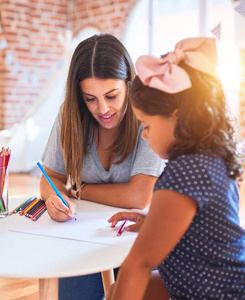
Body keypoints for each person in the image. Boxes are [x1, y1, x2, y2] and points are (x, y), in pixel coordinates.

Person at [107, 37, 245, 300]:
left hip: (221, 294)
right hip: (217, 285)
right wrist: (153, 223)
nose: (145, 136)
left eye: (146, 125)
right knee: (116, 290)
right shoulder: (210, 157)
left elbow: (139, 263)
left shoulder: (185, 173)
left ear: (178, 116)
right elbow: (202, 225)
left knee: (126, 281)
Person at [40, 33, 164, 300]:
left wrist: (79, 190)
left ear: (129, 85)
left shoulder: (148, 117)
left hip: (139, 233)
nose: (103, 108)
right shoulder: (70, 115)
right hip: (85, 235)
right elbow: (51, 177)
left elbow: (139, 196)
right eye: (90, 98)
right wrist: (54, 197)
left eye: (112, 95)